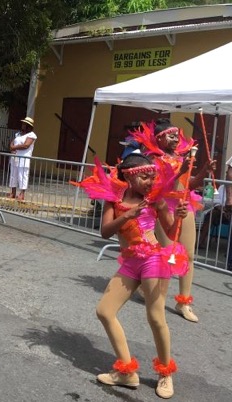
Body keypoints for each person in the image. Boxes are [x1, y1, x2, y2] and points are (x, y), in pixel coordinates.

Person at [75, 153, 189, 399]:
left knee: (155, 316)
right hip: (130, 262)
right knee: (104, 311)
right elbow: (105, 232)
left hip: (154, 260)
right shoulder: (113, 199)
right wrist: (127, 215)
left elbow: (170, 231)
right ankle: (127, 371)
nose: (150, 181)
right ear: (129, 176)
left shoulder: (155, 199)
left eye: (152, 176)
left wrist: (178, 216)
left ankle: (165, 373)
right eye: (145, 177)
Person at [131, 118, 215, 323]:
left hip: (184, 206)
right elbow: (161, 188)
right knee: (168, 256)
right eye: (171, 136)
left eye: (177, 135)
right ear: (159, 139)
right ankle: (156, 298)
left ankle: (183, 302)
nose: (176, 139)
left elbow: (190, 184)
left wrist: (204, 169)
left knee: (189, 255)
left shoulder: (180, 158)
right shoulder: (151, 160)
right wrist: (182, 170)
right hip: (163, 208)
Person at [8, 116, 37, 201]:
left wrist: (14, 147)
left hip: (24, 159)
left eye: (25, 124)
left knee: (23, 176)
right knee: (13, 175)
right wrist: (11, 147)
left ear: (28, 125)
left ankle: (22, 193)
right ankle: (13, 192)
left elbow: (26, 145)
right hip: (15, 158)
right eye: (23, 123)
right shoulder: (18, 134)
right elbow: (12, 143)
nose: (23, 125)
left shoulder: (32, 135)